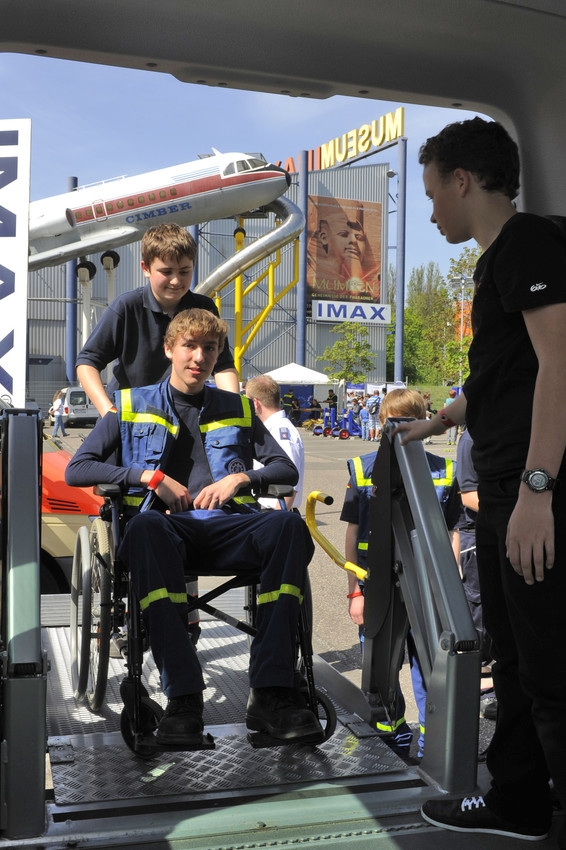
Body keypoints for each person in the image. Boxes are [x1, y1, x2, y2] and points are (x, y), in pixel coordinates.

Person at [395, 116, 566, 845]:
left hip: (527, 492)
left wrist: (537, 489)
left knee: (552, 673)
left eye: (434, 194)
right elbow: (501, 377)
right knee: (521, 660)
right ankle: (520, 802)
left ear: (464, 181)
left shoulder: (525, 243)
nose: (431, 211)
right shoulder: (499, 261)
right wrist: (433, 425)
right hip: (500, 490)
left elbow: (562, 362)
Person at [66, 308, 321, 747]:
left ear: (217, 354)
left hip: (227, 528)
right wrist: (149, 478)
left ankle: (272, 692)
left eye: (209, 348)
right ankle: (184, 699)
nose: (199, 357)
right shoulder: (129, 405)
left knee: (287, 526)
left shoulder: (238, 407)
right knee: (144, 528)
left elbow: (284, 468)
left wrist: (241, 478)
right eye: (190, 346)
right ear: (169, 349)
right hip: (163, 532)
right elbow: (78, 469)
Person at [340, 389, 458, 759]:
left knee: (428, 665)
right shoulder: (362, 469)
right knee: (380, 666)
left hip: (425, 585)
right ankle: (388, 736)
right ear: (381, 422)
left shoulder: (443, 471)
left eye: (410, 421)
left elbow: (452, 532)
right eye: (393, 421)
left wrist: (449, 591)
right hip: (377, 586)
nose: (400, 430)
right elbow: (353, 532)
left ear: (425, 421)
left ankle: (429, 738)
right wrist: (354, 591)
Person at [76, 223, 239, 418]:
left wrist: (233, 411)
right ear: (145, 268)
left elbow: (222, 366)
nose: (176, 281)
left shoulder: (204, 308)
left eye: (184, 271)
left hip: (183, 415)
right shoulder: (127, 307)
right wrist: (107, 411)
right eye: (167, 272)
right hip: (134, 417)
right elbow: (87, 362)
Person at [245, 374, 305, 510]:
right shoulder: (271, 428)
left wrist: (277, 520)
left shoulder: (281, 432)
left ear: (255, 403)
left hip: (274, 511)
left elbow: (289, 485)